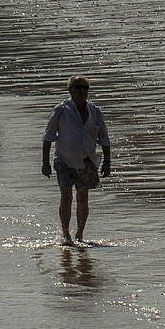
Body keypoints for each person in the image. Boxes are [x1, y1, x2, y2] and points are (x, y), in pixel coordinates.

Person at [42, 76, 112, 245]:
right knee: (66, 197)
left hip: (87, 160)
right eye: (78, 87)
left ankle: (79, 234)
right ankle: (66, 234)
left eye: (85, 88)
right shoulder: (61, 110)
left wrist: (108, 162)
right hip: (64, 160)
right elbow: (48, 137)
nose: (82, 91)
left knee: (83, 198)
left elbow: (104, 137)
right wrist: (45, 162)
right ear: (70, 90)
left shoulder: (95, 110)